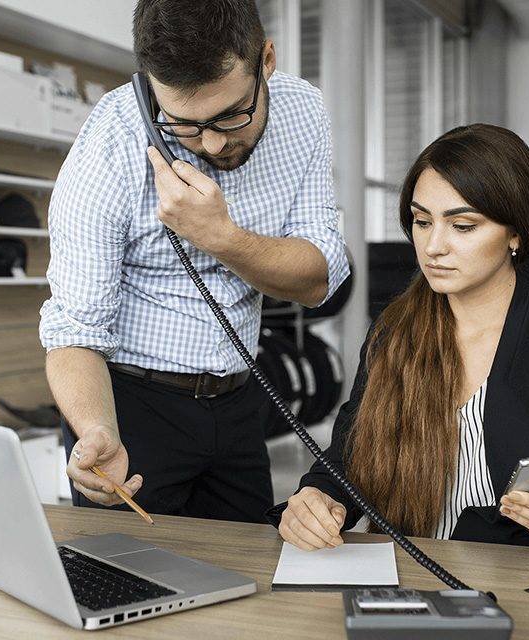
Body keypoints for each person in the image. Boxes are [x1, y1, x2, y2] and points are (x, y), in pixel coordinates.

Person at [272, 124, 529, 557]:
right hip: (406, 570)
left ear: (516, 234)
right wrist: (316, 500)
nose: (433, 246)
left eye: (463, 226)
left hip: (520, 576)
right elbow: (348, 459)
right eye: (421, 222)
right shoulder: (395, 330)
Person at [39, 0, 348, 524]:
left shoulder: (303, 111)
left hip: (241, 397)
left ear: (266, 60)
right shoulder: (111, 144)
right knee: (130, 570)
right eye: (183, 124)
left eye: (231, 114)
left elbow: (319, 279)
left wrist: (220, 237)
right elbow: (74, 331)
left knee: (250, 564)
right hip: (130, 408)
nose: (211, 142)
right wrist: (96, 430)